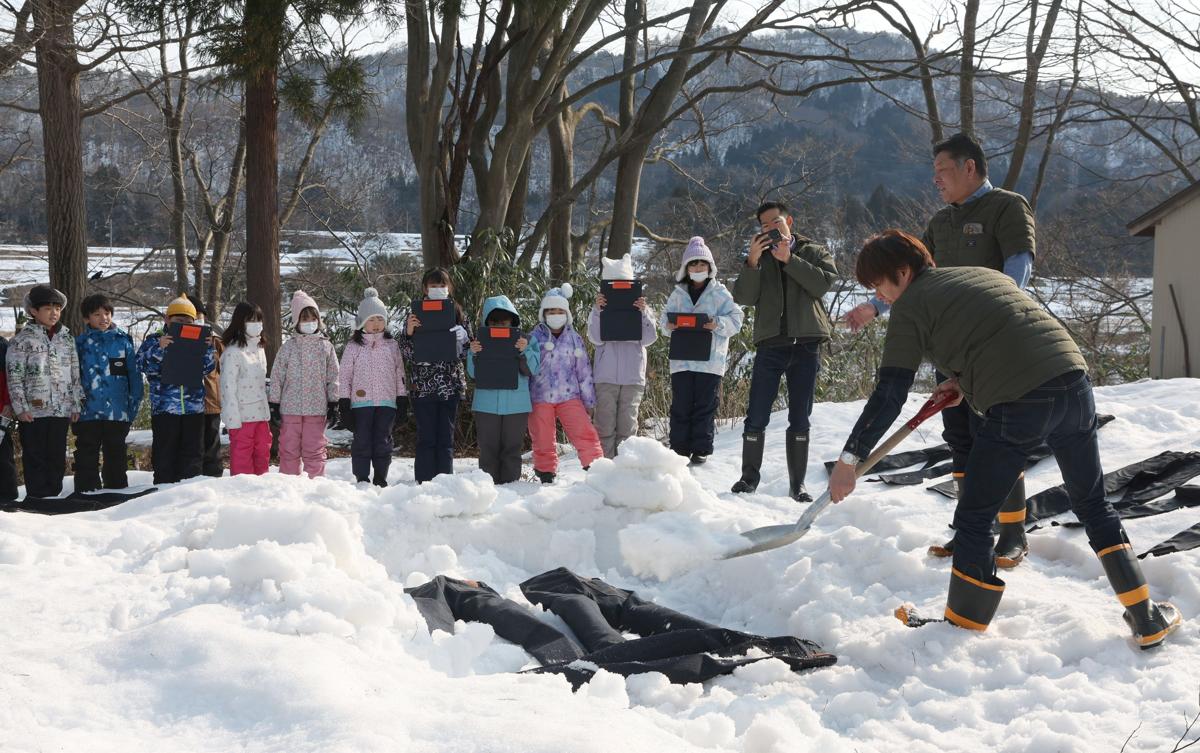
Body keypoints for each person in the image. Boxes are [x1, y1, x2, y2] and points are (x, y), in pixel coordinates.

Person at [828, 230, 1181, 647]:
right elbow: (1002, 335)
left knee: (975, 516)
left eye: (879, 286)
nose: (881, 296)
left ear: (902, 273)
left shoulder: (909, 307)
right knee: (1093, 504)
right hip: (1073, 385)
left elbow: (889, 394)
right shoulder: (979, 276)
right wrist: (961, 380)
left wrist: (849, 461)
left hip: (1020, 403)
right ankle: (1146, 617)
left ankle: (963, 624)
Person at [843, 133, 1037, 566]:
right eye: (933, 174)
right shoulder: (941, 221)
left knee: (998, 438)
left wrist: (1002, 311)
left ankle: (1013, 532)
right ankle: (972, 529)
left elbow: (1020, 264)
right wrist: (875, 305)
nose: (936, 180)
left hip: (992, 345)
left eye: (943, 171)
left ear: (970, 167)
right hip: (950, 346)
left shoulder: (1007, 206)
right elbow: (911, 274)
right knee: (960, 437)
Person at [731, 202, 837, 501]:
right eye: (765, 226)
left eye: (776, 221)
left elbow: (822, 284)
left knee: (800, 416)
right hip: (770, 343)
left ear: (789, 220)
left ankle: (797, 484)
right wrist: (751, 262)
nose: (772, 228)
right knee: (757, 414)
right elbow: (744, 297)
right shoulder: (759, 258)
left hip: (806, 343)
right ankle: (748, 478)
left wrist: (790, 259)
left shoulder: (813, 251)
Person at [659, 237, 744, 465]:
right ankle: (678, 449)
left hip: (710, 361)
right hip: (681, 360)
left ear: (710, 268)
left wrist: (717, 324)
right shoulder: (678, 294)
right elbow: (663, 320)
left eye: (702, 265)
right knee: (681, 405)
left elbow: (737, 319)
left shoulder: (720, 293)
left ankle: (701, 449)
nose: (698, 269)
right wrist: (668, 325)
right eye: (694, 265)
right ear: (686, 269)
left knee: (705, 405)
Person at [5, 284, 82, 499]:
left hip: (61, 409)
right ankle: (37, 498)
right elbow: (15, 376)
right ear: (33, 311)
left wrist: (76, 403)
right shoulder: (21, 340)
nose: (54, 313)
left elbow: (75, 373)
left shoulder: (67, 338)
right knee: (35, 456)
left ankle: (54, 497)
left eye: (57, 308)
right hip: (33, 411)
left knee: (56, 456)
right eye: (48, 309)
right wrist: (20, 407)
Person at [398, 269, 472, 483]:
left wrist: (464, 338)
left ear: (449, 288)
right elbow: (406, 352)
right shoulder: (415, 314)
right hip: (423, 386)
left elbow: (469, 351)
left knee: (445, 439)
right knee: (426, 438)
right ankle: (423, 482)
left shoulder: (458, 313)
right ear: (425, 288)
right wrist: (409, 333)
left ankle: (444, 483)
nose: (438, 290)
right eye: (433, 286)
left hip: (450, 385)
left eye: (442, 286)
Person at [135, 293, 216, 485]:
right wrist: (159, 349)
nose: (184, 325)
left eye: (188, 321)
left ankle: (189, 491)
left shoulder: (198, 339)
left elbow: (207, 369)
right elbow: (140, 365)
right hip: (165, 409)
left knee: (193, 454)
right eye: (178, 320)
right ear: (167, 319)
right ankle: (163, 491)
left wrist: (208, 350)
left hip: (193, 408)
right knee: (165, 454)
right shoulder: (154, 340)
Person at [527, 283, 603, 484]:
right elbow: (527, 367)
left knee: (584, 431)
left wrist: (589, 401)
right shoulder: (534, 338)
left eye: (559, 311)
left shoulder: (574, 339)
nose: (555, 314)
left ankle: (594, 466)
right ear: (544, 314)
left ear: (566, 314)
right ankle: (545, 473)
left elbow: (584, 370)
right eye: (550, 311)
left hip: (570, 396)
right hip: (540, 396)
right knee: (542, 437)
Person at [586, 253, 656, 458]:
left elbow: (650, 338)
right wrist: (598, 311)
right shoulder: (598, 311)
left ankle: (624, 471)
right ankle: (604, 469)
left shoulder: (642, 310)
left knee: (628, 428)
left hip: (633, 378)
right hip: (605, 377)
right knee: (604, 427)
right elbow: (595, 338)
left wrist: (644, 313)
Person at [74, 293, 143, 492]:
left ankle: (117, 491)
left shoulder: (123, 342)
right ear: (87, 319)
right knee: (86, 454)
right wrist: (75, 405)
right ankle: (86, 492)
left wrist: (132, 406)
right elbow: (73, 376)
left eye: (107, 313)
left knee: (116, 454)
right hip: (87, 412)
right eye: (97, 314)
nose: (104, 318)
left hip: (117, 411)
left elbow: (134, 377)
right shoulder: (79, 344)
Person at [467, 295, 539, 484]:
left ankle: (511, 487)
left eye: (504, 321)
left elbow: (532, 370)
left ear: (512, 321)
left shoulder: (527, 341)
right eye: (494, 321)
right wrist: (473, 354)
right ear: (487, 322)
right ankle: (488, 488)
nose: (500, 325)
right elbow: (474, 374)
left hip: (517, 405)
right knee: (488, 449)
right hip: (486, 405)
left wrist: (524, 351)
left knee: (512, 450)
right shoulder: (479, 342)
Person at [339, 287, 406, 486]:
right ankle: (361, 477)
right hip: (361, 404)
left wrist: (402, 399)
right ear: (362, 322)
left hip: (387, 402)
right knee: (362, 441)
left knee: (382, 441)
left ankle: (380, 476)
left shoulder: (392, 345)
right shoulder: (353, 347)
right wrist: (344, 402)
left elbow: (399, 373)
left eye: (380, 320)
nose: (376, 324)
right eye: (371, 320)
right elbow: (344, 376)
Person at [269, 290, 340, 478]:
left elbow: (333, 376)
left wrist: (334, 402)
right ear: (296, 321)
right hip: (290, 408)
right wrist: (274, 404)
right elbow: (277, 376)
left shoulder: (326, 346)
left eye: (313, 317)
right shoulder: (288, 348)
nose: (309, 322)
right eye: (304, 318)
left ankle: (314, 485)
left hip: (316, 408)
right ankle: (289, 485)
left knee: (314, 449)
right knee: (288, 449)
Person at [220, 302, 272, 476]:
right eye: (251, 320)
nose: (256, 324)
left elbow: (261, 382)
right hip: (242, 416)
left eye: (259, 320)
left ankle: (261, 489)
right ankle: (242, 493)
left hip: (261, 415)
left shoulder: (259, 349)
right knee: (242, 457)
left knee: (263, 453)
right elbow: (228, 387)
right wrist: (232, 419)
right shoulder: (232, 352)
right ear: (240, 322)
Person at [196, 304, 224, 478]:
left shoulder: (216, 340)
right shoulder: (180, 338)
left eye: (200, 315)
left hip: (212, 400)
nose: (198, 319)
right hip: (190, 404)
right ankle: (194, 477)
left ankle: (214, 477)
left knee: (212, 442)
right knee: (195, 444)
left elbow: (224, 367)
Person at [0, 335, 17, 504]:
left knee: (3, 456)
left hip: (1, 411)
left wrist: (8, 403)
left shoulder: (3, 346)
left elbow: (10, 377)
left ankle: (8, 497)